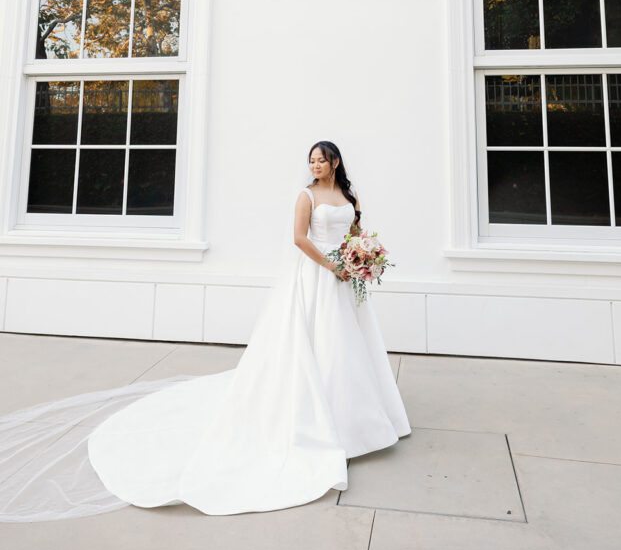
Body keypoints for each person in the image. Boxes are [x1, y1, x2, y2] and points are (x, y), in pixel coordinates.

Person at [0, 140, 410, 521]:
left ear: (335, 162)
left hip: (344, 281)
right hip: (318, 277)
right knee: (319, 344)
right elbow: (299, 239)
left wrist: (362, 258)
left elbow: (355, 233)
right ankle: (322, 418)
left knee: (348, 348)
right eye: (312, 160)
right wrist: (333, 266)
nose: (315, 165)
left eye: (322, 160)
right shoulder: (306, 196)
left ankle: (358, 418)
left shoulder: (349, 196)